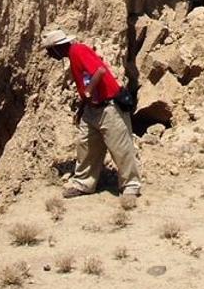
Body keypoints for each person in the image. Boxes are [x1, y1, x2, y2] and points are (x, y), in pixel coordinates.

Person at [42, 28, 142, 198]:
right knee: (85, 145)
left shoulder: (78, 50)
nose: (49, 55)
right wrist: (82, 107)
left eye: (49, 50)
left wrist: (88, 91)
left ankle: (131, 185)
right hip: (92, 109)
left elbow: (100, 71)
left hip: (109, 108)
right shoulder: (72, 56)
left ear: (57, 47)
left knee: (120, 147)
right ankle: (83, 183)